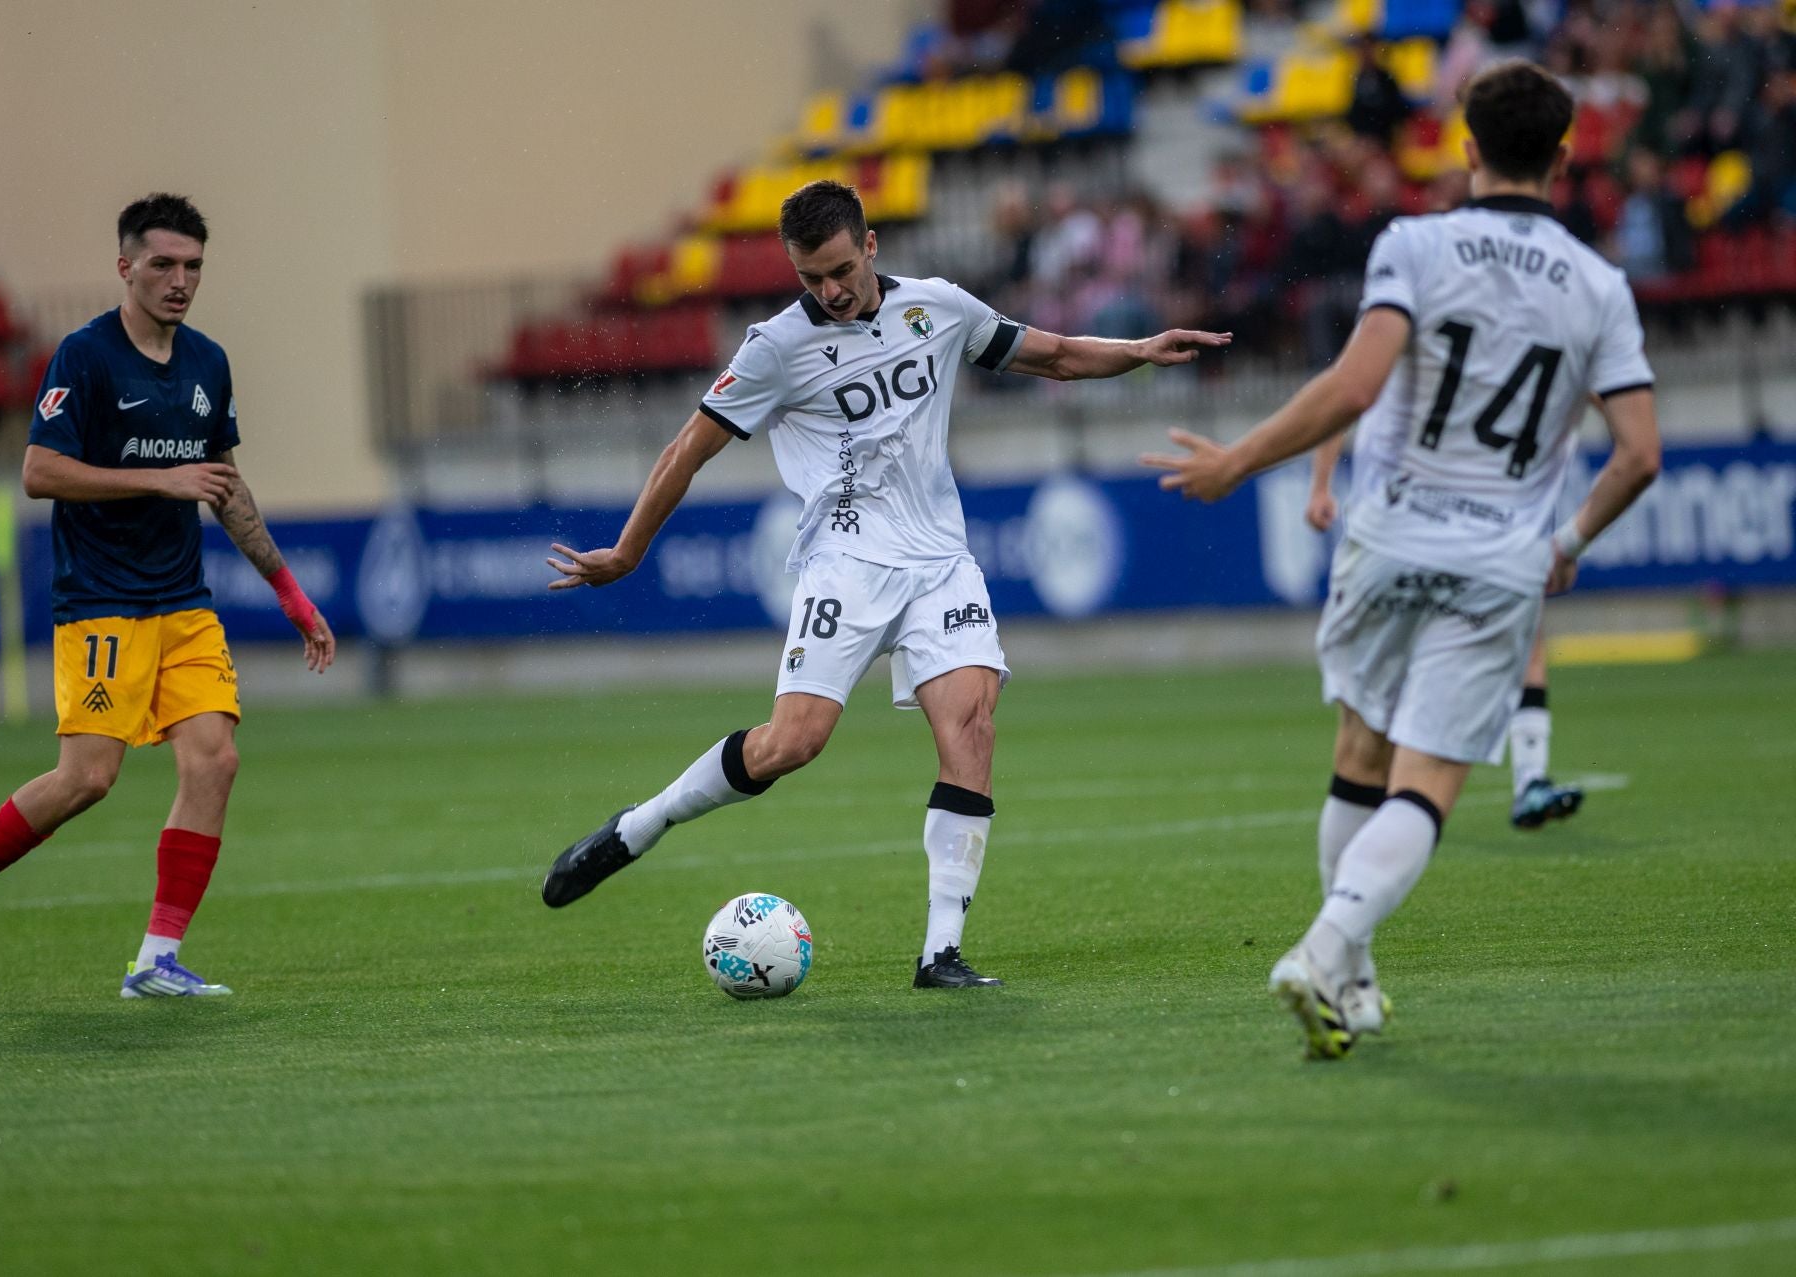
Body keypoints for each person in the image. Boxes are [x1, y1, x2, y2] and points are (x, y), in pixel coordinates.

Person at [542, 179, 1228, 988]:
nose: (828, 291)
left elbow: (1054, 353)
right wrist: (627, 551)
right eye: (809, 278)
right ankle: (640, 826)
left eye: (838, 270)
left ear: (870, 247)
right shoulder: (775, 346)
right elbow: (688, 448)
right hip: (845, 560)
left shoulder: (937, 307)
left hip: (940, 560)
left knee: (971, 727)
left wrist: (1139, 351)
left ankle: (940, 952)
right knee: (791, 744)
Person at [1142, 60, 1661, 1058]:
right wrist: (1570, 541)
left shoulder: (1414, 244)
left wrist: (1242, 459)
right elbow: (1641, 454)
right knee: (1426, 783)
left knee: (1359, 757)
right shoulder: (1602, 287)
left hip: (1388, 537)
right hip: (1501, 554)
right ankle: (1329, 947)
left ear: (1464, 148)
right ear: (1561, 158)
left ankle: (1356, 977)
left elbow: (1356, 382)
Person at [0, 194, 335, 1001]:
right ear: (125, 266)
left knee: (216, 759)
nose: (179, 280)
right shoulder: (85, 357)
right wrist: (158, 477)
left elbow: (225, 489)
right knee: (88, 778)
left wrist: (290, 592)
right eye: (163, 264)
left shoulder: (208, 364)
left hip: (184, 602)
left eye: (193, 266)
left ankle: (156, 959)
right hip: (101, 600)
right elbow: (39, 471)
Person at [1306, 433, 1586, 831]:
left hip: (1461, 514)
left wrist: (1316, 485)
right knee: (1513, 633)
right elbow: (1345, 396)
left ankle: (1527, 776)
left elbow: (1341, 396)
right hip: (1440, 518)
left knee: (1526, 631)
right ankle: (1514, 779)